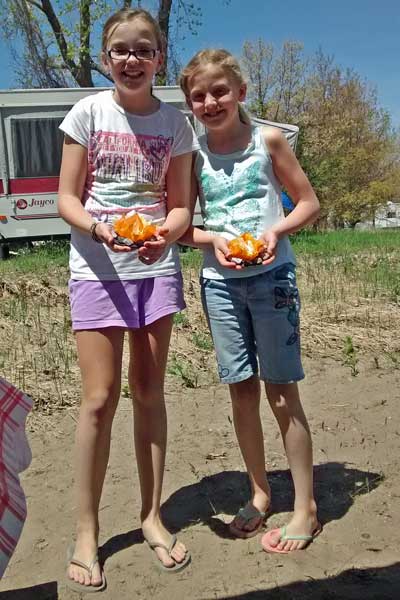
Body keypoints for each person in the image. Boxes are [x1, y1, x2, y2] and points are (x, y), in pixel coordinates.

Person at [58, 8, 198, 591]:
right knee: (98, 400)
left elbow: (181, 205)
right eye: (121, 50)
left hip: (154, 271)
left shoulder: (177, 124)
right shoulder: (87, 113)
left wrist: (164, 231)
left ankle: (151, 517)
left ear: (159, 57)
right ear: (106, 58)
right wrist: (101, 229)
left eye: (144, 49)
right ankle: (86, 532)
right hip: (96, 271)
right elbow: (66, 198)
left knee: (148, 393)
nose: (132, 59)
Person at [179, 49, 321, 554]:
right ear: (190, 104)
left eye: (219, 91)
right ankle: (260, 491)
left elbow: (308, 202)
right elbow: (181, 223)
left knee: (282, 392)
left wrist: (273, 231)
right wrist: (210, 241)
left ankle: (305, 506)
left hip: (273, 279)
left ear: (240, 92)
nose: (210, 102)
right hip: (219, 283)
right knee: (241, 390)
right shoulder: (190, 153)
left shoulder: (268, 140)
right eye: (198, 96)